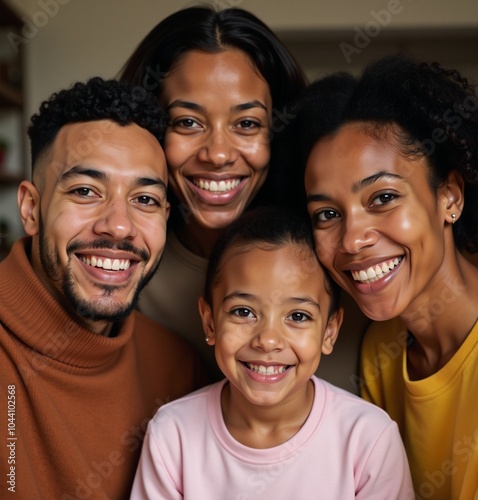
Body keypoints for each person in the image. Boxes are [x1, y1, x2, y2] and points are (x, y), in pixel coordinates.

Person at [298, 54, 478, 499]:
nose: (352, 239)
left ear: (448, 196)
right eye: (327, 214)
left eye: (383, 197)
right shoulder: (382, 348)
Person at [0, 77, 206, 499]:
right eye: (85, 191)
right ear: (31, 208)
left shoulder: (180, 370)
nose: (118, 225)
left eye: (145, 200)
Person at [130, 207, 414, 499]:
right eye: (243, 312)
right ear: (210, 321)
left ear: (329, 331)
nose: (267, 341)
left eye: (298, 316)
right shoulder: (171, 436)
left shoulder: (368, 440)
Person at [118, 6, 307, 381]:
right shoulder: (119, 266)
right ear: (150, 129)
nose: (218, 154)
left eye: (247, 123)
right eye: (188, 122)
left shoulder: (329, 260)